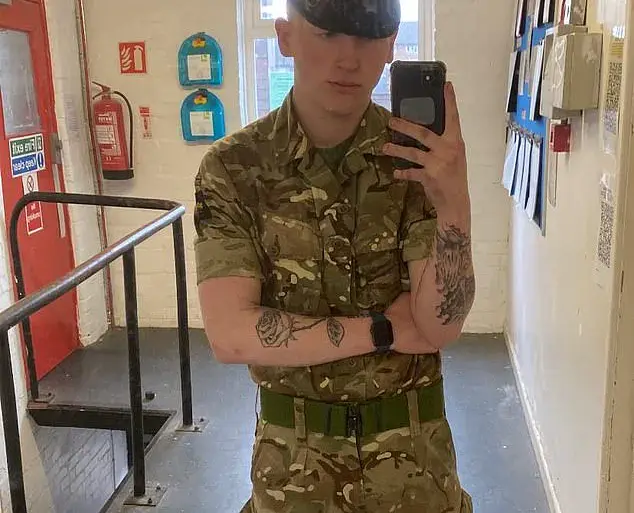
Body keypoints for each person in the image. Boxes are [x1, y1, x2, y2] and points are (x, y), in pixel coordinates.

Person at [194, 0, 475, 511]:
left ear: (390, 47)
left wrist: (454, 204)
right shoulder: (234, 169)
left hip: (414, 469)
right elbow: (230, 335)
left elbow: (440, 326)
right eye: (327, 34)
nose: (348, 59)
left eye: (368, 37)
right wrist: (382, 331)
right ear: (286, 37)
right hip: (293, 472)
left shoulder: (415, 162)